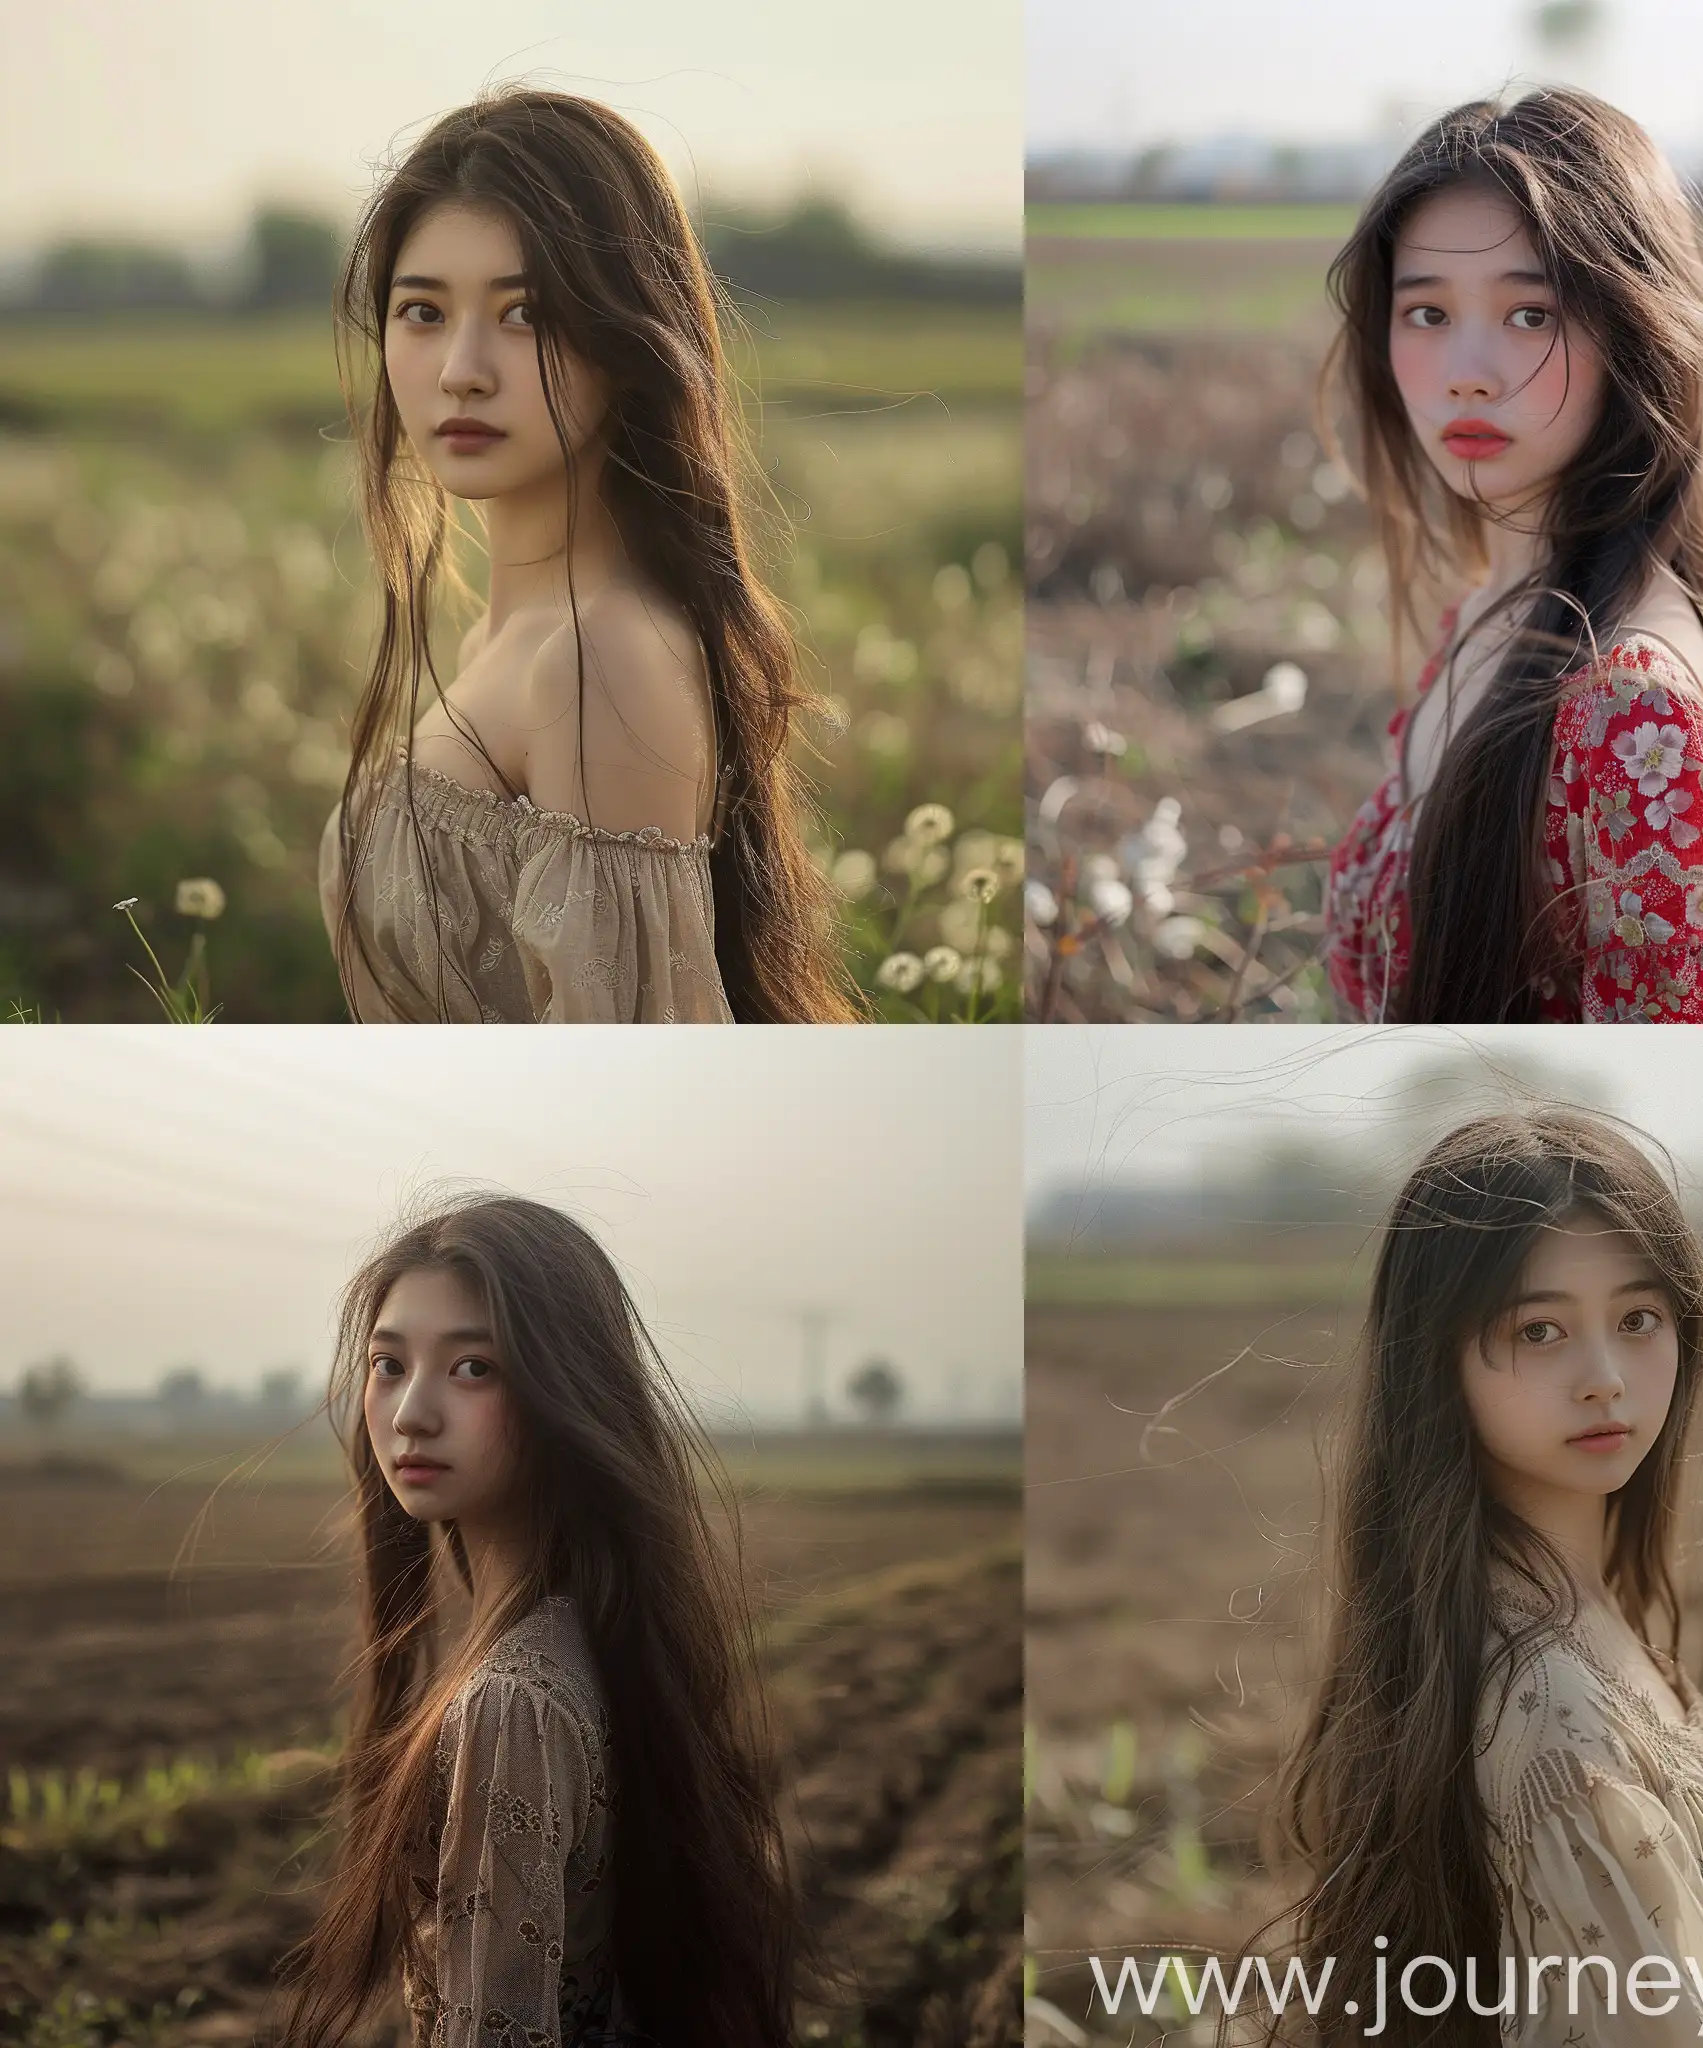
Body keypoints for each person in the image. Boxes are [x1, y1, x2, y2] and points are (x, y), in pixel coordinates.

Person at [1275, 1111, 1703, 2045]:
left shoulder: (1581, 1624)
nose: (1605, 1378)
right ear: (1438, 1359)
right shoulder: (1557, 1718)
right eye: (1540, 1329)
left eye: (1637, 1319)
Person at [318, 86, 861, 1023]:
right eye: (422, 312)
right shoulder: (508, 639)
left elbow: (646, 1048)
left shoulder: (596, 656)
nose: (462, 369)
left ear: (628, 338)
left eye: (525, 313)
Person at [1321, 90, 1703, 1023]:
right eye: (1427, 314)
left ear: (1635, 335)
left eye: (1532, 315)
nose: (1469, 370)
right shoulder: (1504, 597)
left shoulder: (1623, 709)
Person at [277, 1194, 798, 2047]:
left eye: (473, 1367)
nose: (411, 1412)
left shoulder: (512, 1701)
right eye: (388, 1364)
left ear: (566, 1390)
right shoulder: (595, 1640)